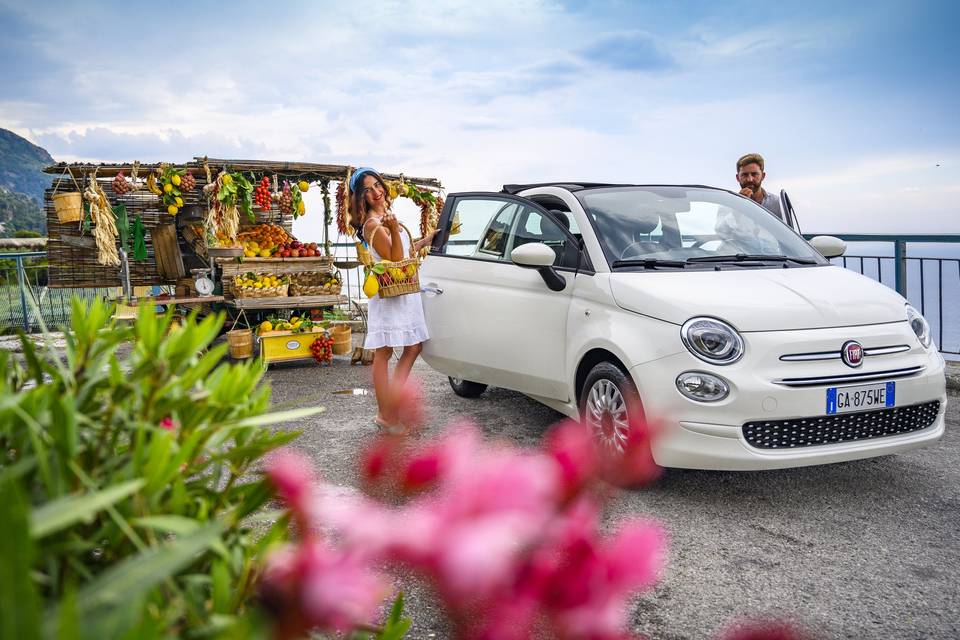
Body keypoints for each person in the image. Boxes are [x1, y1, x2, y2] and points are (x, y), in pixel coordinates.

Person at [349, 167, 437, 433]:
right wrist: (392, 228)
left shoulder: (383, 219)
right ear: (361, 198)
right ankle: (387, 415)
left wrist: (426, 241)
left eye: (377, 185)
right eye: (368, 190)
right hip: (390, 296)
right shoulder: (373, 224)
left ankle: (388, 412)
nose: (376, 192)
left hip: (400, 292)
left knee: (405, 349)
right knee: (387, 352)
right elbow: (395, 260)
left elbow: (403, 251)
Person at [735, 153, 784, 222]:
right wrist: (738, 206)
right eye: (745, 175)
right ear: (737, 178)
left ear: (763, 176)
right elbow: (721, 230)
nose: (750, 179)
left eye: (754, 174)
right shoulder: (729, 205)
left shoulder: (777, 203)